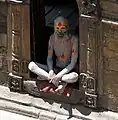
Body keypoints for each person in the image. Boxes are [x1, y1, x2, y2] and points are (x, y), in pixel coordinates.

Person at [28, 16, 78, 94]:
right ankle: (58, 82)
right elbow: (49, 58)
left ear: (67, 28)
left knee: (74, 77)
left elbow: (72, 63)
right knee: (31, 65)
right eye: (57, 28)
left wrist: (59, 76)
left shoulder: (74, 40)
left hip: (67, 72)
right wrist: (51, 71)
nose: (60, 31)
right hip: (55, 69)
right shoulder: (52, 38)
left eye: (62, 28)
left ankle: (48, 78)